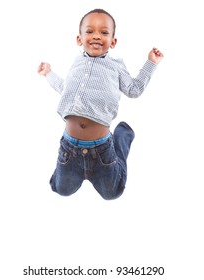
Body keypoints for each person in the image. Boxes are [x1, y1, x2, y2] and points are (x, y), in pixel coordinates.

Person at [37, 8, 164, 200]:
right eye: (89, 31)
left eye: (104, 32)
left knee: (113, 193)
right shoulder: (76, 63)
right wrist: (48, 73)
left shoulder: (115, 67)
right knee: (60, 189)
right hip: (69, 149)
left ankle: (120, 138)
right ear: (79, 39)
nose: (96, 36)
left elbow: (134, 89)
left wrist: (151, 63)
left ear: (112, 42)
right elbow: (64, 88)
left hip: (102, 150)